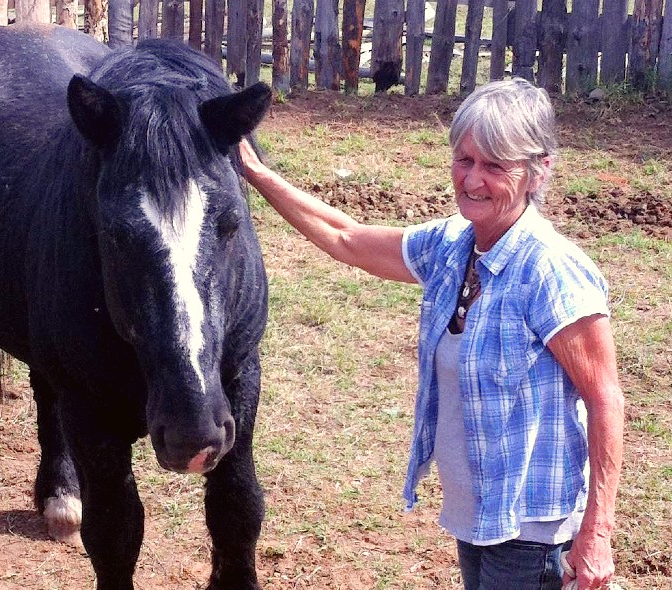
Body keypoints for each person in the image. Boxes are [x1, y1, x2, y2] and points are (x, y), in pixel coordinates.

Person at [239, 78, 623, 590]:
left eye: (495, 165)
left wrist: (596, 531)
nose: (472, 180)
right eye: (464, 160)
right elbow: (346, 237)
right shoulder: (453, 246)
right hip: (477, 518)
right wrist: (257, 173)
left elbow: (606, 400)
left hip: (533, 532)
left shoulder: (551, 271)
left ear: (538, 172)